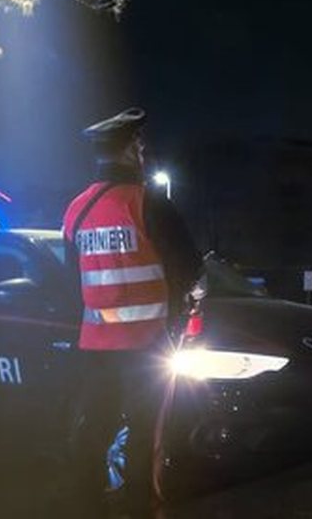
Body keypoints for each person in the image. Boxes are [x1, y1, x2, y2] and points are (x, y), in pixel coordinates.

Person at [62, 107, 200, 513]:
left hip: (94, 350)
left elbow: (75, 282)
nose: (143, 152)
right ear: (126, 151)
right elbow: (190, 268)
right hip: (147, 347)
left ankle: (84, 506)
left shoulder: (76, 211)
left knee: (93, 434)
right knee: (145, 439)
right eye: (139, 145)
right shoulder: (147, 204)